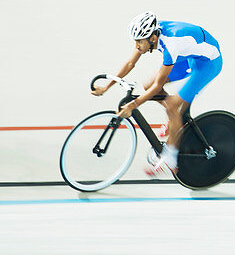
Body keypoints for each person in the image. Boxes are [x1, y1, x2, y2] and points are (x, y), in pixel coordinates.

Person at [91, 11, 223, 175]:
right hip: (189, 55)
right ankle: (177, 119)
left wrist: (133, 105)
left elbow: (158, 85)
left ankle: (171, 159)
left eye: (139, 42)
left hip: (208, 63)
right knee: (148, 85)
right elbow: (130, 63)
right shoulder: (151, 33)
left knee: (171, 106)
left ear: (152, 38)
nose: (137, 46)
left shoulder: (170, 46)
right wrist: (106, 87)